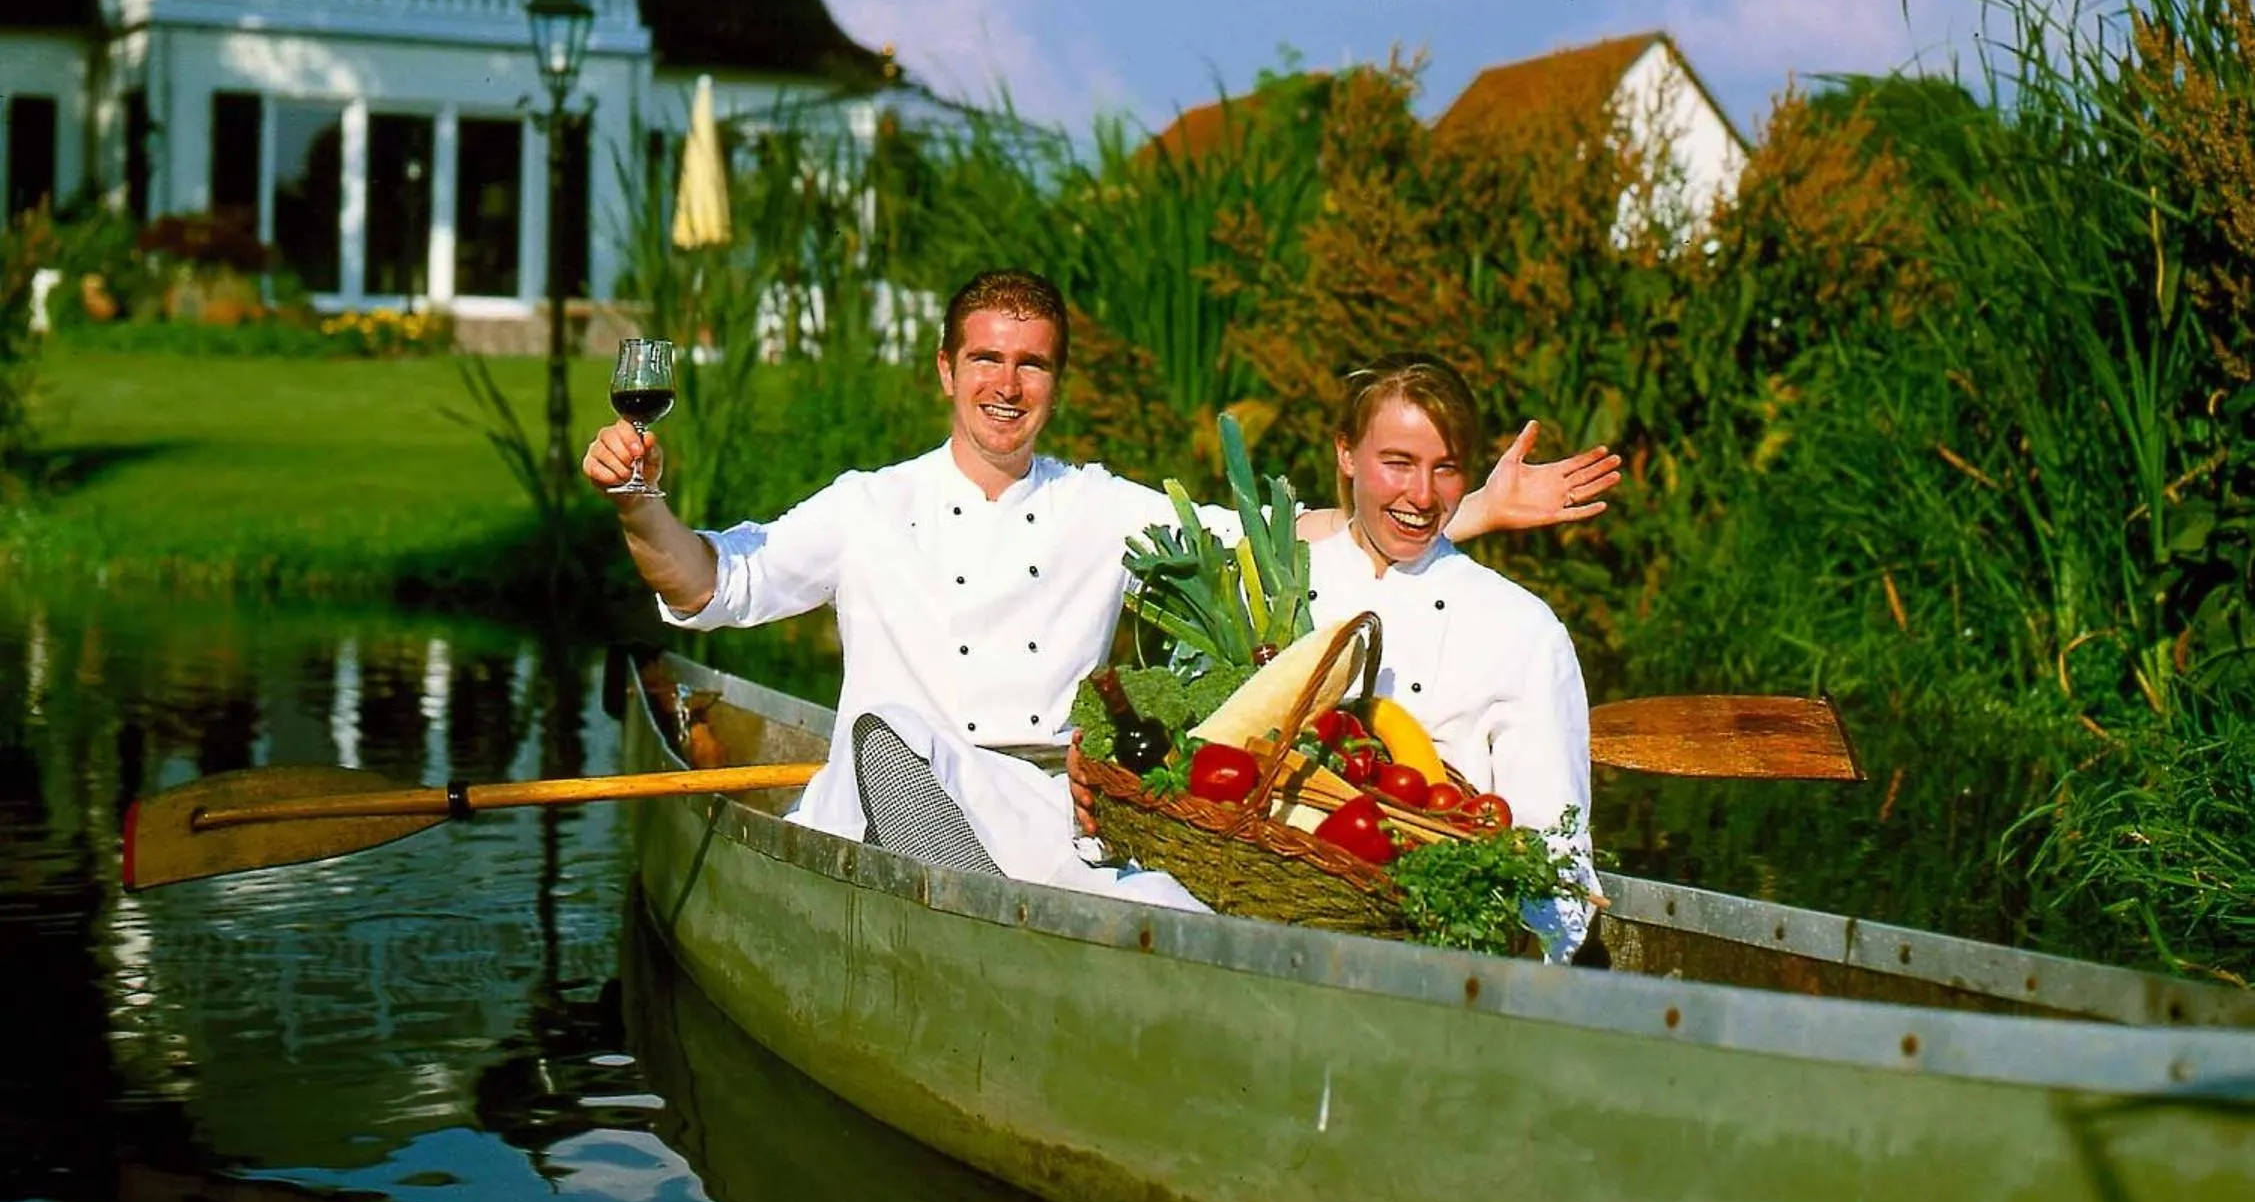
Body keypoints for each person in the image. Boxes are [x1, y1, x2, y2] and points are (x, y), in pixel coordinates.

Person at [583, 270, 1617, 900]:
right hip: (889, 803)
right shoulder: (866, 505)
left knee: (1187, 902)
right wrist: (640, 505)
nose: (1007, 383)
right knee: (885, 731)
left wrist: (1451, 507)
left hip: (1049, 819)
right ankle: (959, 908)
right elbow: (715, 581)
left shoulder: (1098, 507)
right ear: (944, 370)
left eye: (1032, 363)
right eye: (986, 358)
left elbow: (1268, 539)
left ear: (1055, 382)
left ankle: (1017, 932)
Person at [1304, 354, 1599, 961]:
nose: (1422, 495)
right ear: (1345, 453)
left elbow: (1557, 863)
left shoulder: (1523, 631)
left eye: (1447, 469)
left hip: (1441, 957)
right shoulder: (1274, 585)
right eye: (1397, 463)